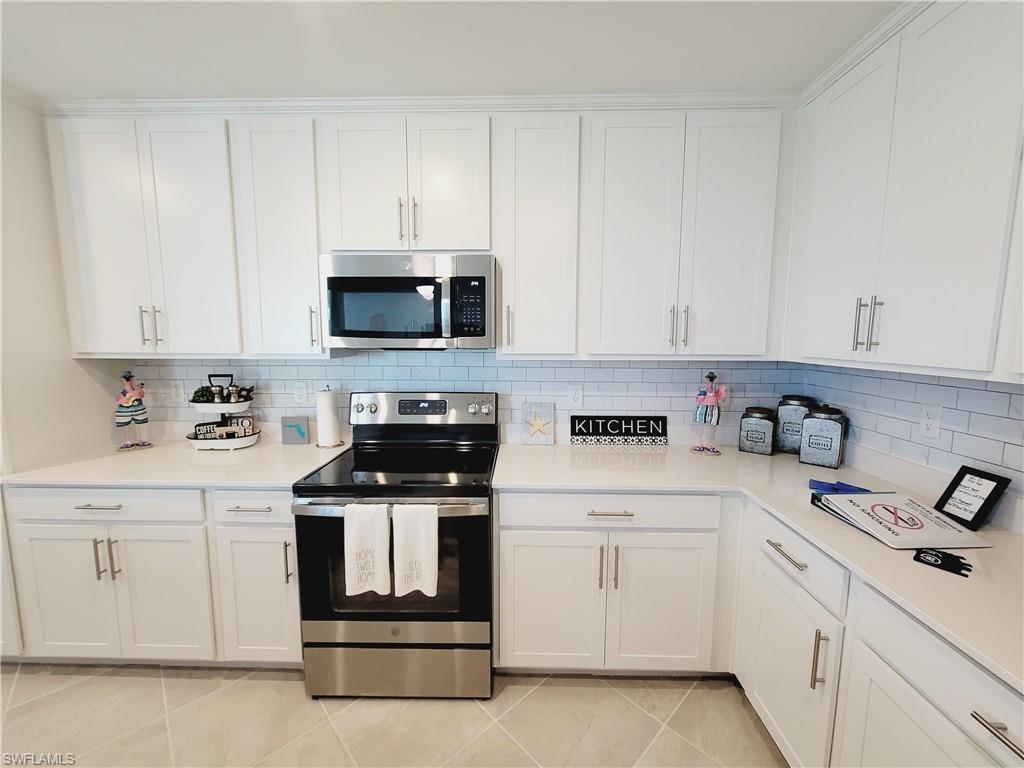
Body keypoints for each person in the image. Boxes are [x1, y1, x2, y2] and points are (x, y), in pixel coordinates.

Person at [115, 370, 152, 451]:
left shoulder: (136, 390)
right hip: (126, 410)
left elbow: (140, 395)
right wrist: (123, 399)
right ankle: (128, 441)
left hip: (137, 409)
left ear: (132, 379)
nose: (128, 380)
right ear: (123, 380)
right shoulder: (123, 392)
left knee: (138, 424)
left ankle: (139, 440)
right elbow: (118, 399)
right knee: (127, 425)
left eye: (129, 378)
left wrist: (138, 391)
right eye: (126, 378)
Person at [693, 371, 727, 456]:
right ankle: (700, 443)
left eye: (712, 378)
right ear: (707, 379)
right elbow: (701, 398)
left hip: (714, 409)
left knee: (712, 428)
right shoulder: (704, 391)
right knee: (701, 427)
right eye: (709, 378)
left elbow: (719, 397)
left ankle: (709, 444)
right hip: (704, 408)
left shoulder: (716, 392)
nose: (711, 380)